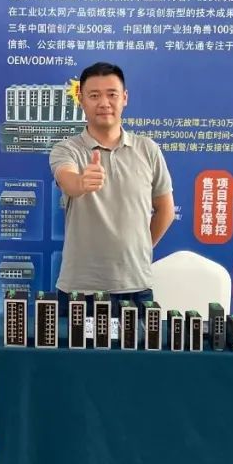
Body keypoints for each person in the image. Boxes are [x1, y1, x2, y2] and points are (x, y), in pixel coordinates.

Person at [49, 62, 175, 302]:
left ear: (124, 98)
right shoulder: (66, 149)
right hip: (80, 289)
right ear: (81, 100)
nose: (104, 103)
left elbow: (165, 209)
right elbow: (68, 180)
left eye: (112, 94)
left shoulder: (148, 149)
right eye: (94, 95)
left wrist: (140, 248)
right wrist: (82, 182)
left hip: (136, 286)